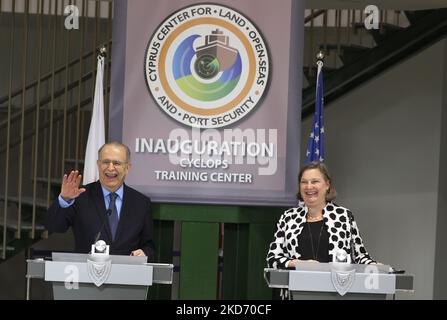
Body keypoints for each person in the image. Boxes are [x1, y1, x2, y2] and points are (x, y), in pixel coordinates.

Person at [45, 141, 155, 261]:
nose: (110, 168)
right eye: (106, 162)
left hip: (126, 276)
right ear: (98, 164)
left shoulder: (141, 203)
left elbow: (149, 245)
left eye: (117, 163)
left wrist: (144, 253)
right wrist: (64, 199)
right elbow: (54, 226)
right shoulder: (79, 196)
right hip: (86, 274)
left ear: (127, 168)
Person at [266, 161, 375, 269]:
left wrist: (375, 266)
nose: (309, 187)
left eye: (315, 181)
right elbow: (272, 259)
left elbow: (359, 256)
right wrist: (296, 263)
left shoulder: (344, 216)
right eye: (304, 182)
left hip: (335, 285)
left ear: (327, 185)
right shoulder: (288, 217)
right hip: (297, 285)